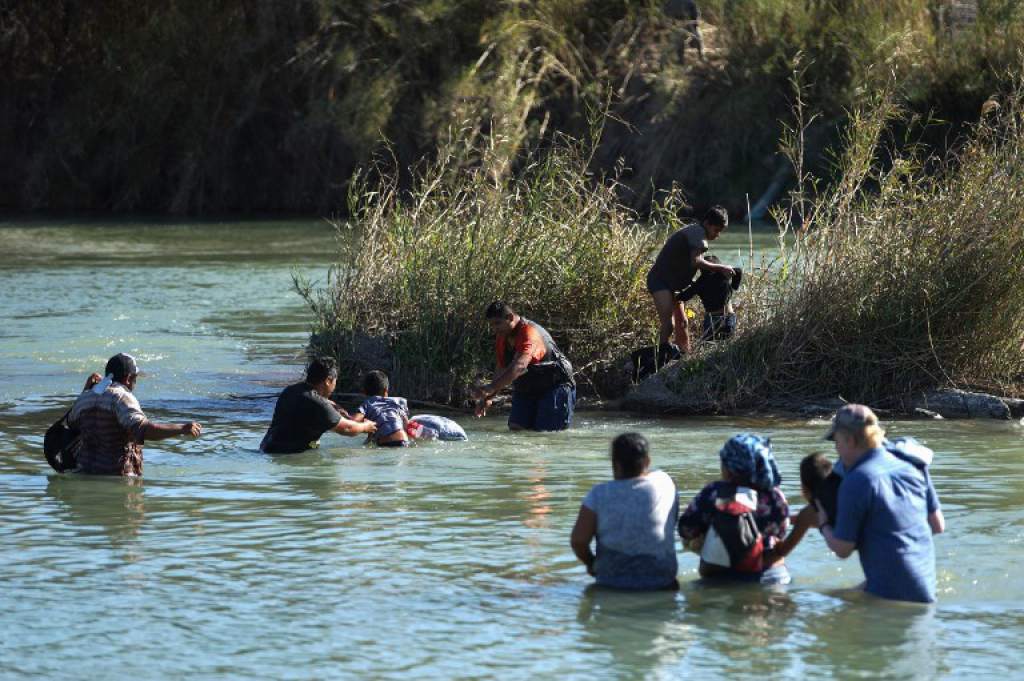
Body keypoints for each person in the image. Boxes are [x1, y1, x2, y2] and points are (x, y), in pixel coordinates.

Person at [817, 404, 945, 603]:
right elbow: (937, 525)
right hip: (925, 591)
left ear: (849, 440)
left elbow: (842, 550)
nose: (836, 449)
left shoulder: (857, 480)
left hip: (889, 601)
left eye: (836, 442)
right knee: (842, 593)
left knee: (815, 601)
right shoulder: (912, 464)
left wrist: (823, 523)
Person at [678, 433, 792, 585]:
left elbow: (686, 529)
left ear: (731, 468)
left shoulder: (714, 492)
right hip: (775, 577)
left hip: (721, 579)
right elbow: (782, 531)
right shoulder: (776, 495)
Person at [570, 433, 679, 590]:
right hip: (661, 581)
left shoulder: (598, 494)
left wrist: (591, 563)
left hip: (611, 583)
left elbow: (578, 541)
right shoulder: (665, 483)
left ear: (615, 464)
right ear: (647, 461)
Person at [68, 353, 202, 476]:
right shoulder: (121, 397)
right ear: (128, 378)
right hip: (117, 477)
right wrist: (182, 428)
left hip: (84, 471)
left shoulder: (85, 398)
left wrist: (85, 390)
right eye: (135, 379)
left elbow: (70, 423)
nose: (134, 384)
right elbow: (144, 430)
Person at [470, 301, 576, 431]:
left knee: (546, 435)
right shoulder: (502, 337)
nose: (494, 329)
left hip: (555, 386)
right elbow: (501, 368)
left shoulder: (529, 333)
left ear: (510, 318)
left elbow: (520, 366)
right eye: (491, 325)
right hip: (528, 387)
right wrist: (489, 398)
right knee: (516, 429)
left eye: (497, 323)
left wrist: (490, 388)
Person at [647, 206, 734, 356]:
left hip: (674, 286)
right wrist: (721, 268)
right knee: (669, 325)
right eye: (716, 230)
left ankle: (685, 355)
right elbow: (696, 262)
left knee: (683, 322)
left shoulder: (697, 232)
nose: (718, 235)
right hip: (660, 282)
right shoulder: (698, 234)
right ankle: (660, 355)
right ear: (707, 223)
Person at [260, 357, 376, 453]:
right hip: (287, 454)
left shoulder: (291, 390)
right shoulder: (319, 405)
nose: (334, 386)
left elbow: (309, 404)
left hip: (267, 447)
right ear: (328, 381)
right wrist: (366, 426)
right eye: (335, 381)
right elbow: (347, 428)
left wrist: (332, 406)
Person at [769, 452, 840, 559]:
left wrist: (774, 541)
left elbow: (783, 551)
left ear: (804, 489)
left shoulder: (808, 514)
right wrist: (782, 519)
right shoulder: (843, 497)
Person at [677, 254, 742, 341]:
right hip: (728, 317)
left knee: (708, 343)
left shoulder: (700, 283)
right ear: (718, 266)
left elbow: (683, 297)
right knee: (727, 343)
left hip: (711, 320)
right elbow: (738, 271)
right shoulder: (722, 275)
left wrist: (682, 285)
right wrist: (734, 286)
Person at [351, 370, 410, 447]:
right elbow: (406, 424)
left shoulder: (367, 404)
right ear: (386, 390)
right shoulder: (399, 402)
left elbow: (353, 422)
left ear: (364, 392)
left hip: (385, 443)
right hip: (403, 440)